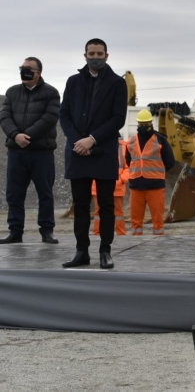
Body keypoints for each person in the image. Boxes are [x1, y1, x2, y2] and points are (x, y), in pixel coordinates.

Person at [59, 38, 127, 269]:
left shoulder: (118, 83)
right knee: (80, 204)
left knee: (106, 204)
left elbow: (118, 118)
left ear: (107, 56)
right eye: (91, 53)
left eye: (99, 53)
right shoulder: (73, 81)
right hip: (78, 151)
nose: (95, 57)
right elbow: (64, 114)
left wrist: (92, 139)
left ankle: (105, 251)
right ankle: (81, 251)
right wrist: (79, 141)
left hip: (103, 151)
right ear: (85, 55)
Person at [0, 57, 60, 244]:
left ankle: (47, 231)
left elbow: (50, 117)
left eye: (28, 69)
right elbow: (4, 116)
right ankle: (15, 231)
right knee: (14, 194)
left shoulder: (51, 93)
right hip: (16, 152)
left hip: (41, 153)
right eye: (22, 68)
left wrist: (28, 136)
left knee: (45, 193)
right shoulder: (12, 92)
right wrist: (15, 135)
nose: (24, 72)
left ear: (38, 73)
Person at [126, 110, 175, 236]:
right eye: (141, 124)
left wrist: (157, 173)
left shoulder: (161, 140)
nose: (143, 127)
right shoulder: (130, 142)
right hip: (136, 186)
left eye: (146, 124)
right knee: (135, 222)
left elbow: (170, 161)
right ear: (138, 124)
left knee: (158, 221)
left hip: (155, 187)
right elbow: (128, 160)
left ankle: (157, 245)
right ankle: (136, 245)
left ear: (151, 124)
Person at [92, 138, 129, 236]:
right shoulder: (94, 144)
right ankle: (98, 233)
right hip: (98, 186)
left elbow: (128, 166)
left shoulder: (123, 147)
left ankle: (120, 233)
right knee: (99, 211)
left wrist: (121, 180)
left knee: (118, 212)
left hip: (117, 186)